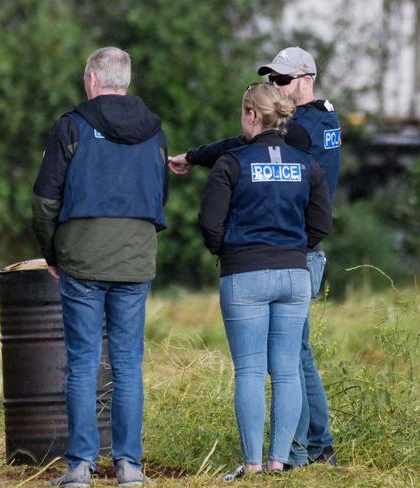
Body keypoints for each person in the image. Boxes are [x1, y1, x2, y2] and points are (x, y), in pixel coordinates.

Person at [171, 46, 340, 468]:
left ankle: (303, 451)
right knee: (292, 360)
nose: (276, 87)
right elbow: (253, 144)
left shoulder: (307, 128)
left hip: (278, 259)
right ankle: (295, 453)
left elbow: (241, 153)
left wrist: (230, 251)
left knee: (270, 364)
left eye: (281, 81)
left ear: (305, 79)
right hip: (295, 258)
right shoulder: (308, 131)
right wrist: (195, 155)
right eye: (272, 81)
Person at [32, 46, 168, 487]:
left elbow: (46, 199)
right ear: (124, 81)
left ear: (92, 80)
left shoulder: (71, 126)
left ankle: (79, 468)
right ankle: (129, 466)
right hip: (135, 258)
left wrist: (52, 252)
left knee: (84, 363)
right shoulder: (155, 131)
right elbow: (160, 193)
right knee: (128, 365)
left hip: (82, 259)